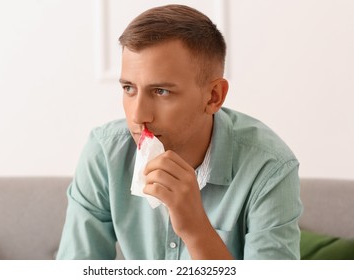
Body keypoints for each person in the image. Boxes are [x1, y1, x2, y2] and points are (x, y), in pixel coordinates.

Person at [57, 4, 302, 260]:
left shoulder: (270, 167)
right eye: (129, 88)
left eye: (161, 91)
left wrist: (195, 228)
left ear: (213, 97)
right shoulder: (105, 153)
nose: (138, 116)